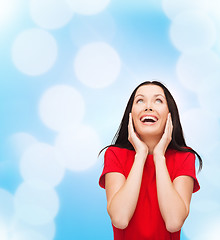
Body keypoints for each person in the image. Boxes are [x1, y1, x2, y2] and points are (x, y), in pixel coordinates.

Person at [99, 80, 202, 240]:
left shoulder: (184, 157)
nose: (148, 107)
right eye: (140, 100)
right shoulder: (115, 154)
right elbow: (120, 219)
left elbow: (174, 222)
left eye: (158, 100)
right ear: (130, 114)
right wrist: (140, 154)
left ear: (170, 114)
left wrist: (159, 156)